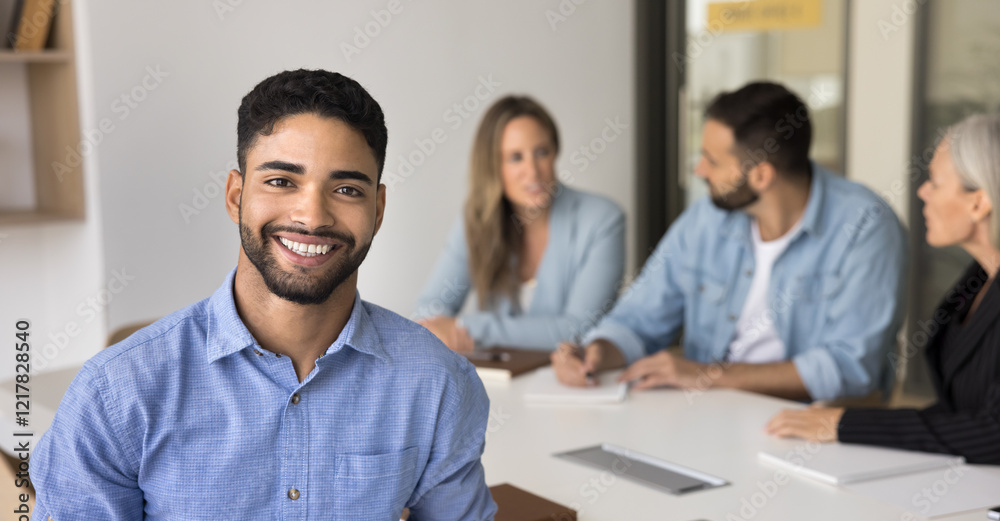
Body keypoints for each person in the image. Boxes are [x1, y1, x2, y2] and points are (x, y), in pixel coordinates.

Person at [26, 70, 496, 521]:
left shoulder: (438, 383)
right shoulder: (117, 393)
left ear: (378, 209)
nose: (312, 217)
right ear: (236, 196)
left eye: (347, 190)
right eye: (280, 181)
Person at [553, 81, 907, 402]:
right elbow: (639, 317)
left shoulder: (865, 226)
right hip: (708, 413)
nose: (699, 171)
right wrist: (598, 351)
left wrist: (707, 376)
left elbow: (849, 368)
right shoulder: (708, 217)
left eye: (712, 161)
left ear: (761, 174)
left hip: (807, 427)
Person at [767, 114, 1000, 464]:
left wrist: (846, 424)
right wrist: (841, 420)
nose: (922, 192)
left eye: (935, 182)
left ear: (979, 203)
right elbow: (965, 410)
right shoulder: (977, 279)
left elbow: (993, 433)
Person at [414, 95, 625, 352]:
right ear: (493, 166)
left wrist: (466, 327)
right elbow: (429, 311)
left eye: (541, 153)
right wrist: (439, 326)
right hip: (498, 383)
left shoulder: (603, 220)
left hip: (572, 384)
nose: (533, 171)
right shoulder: (477, 219)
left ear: (555, 152)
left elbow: (578, 329)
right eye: (516, 157)